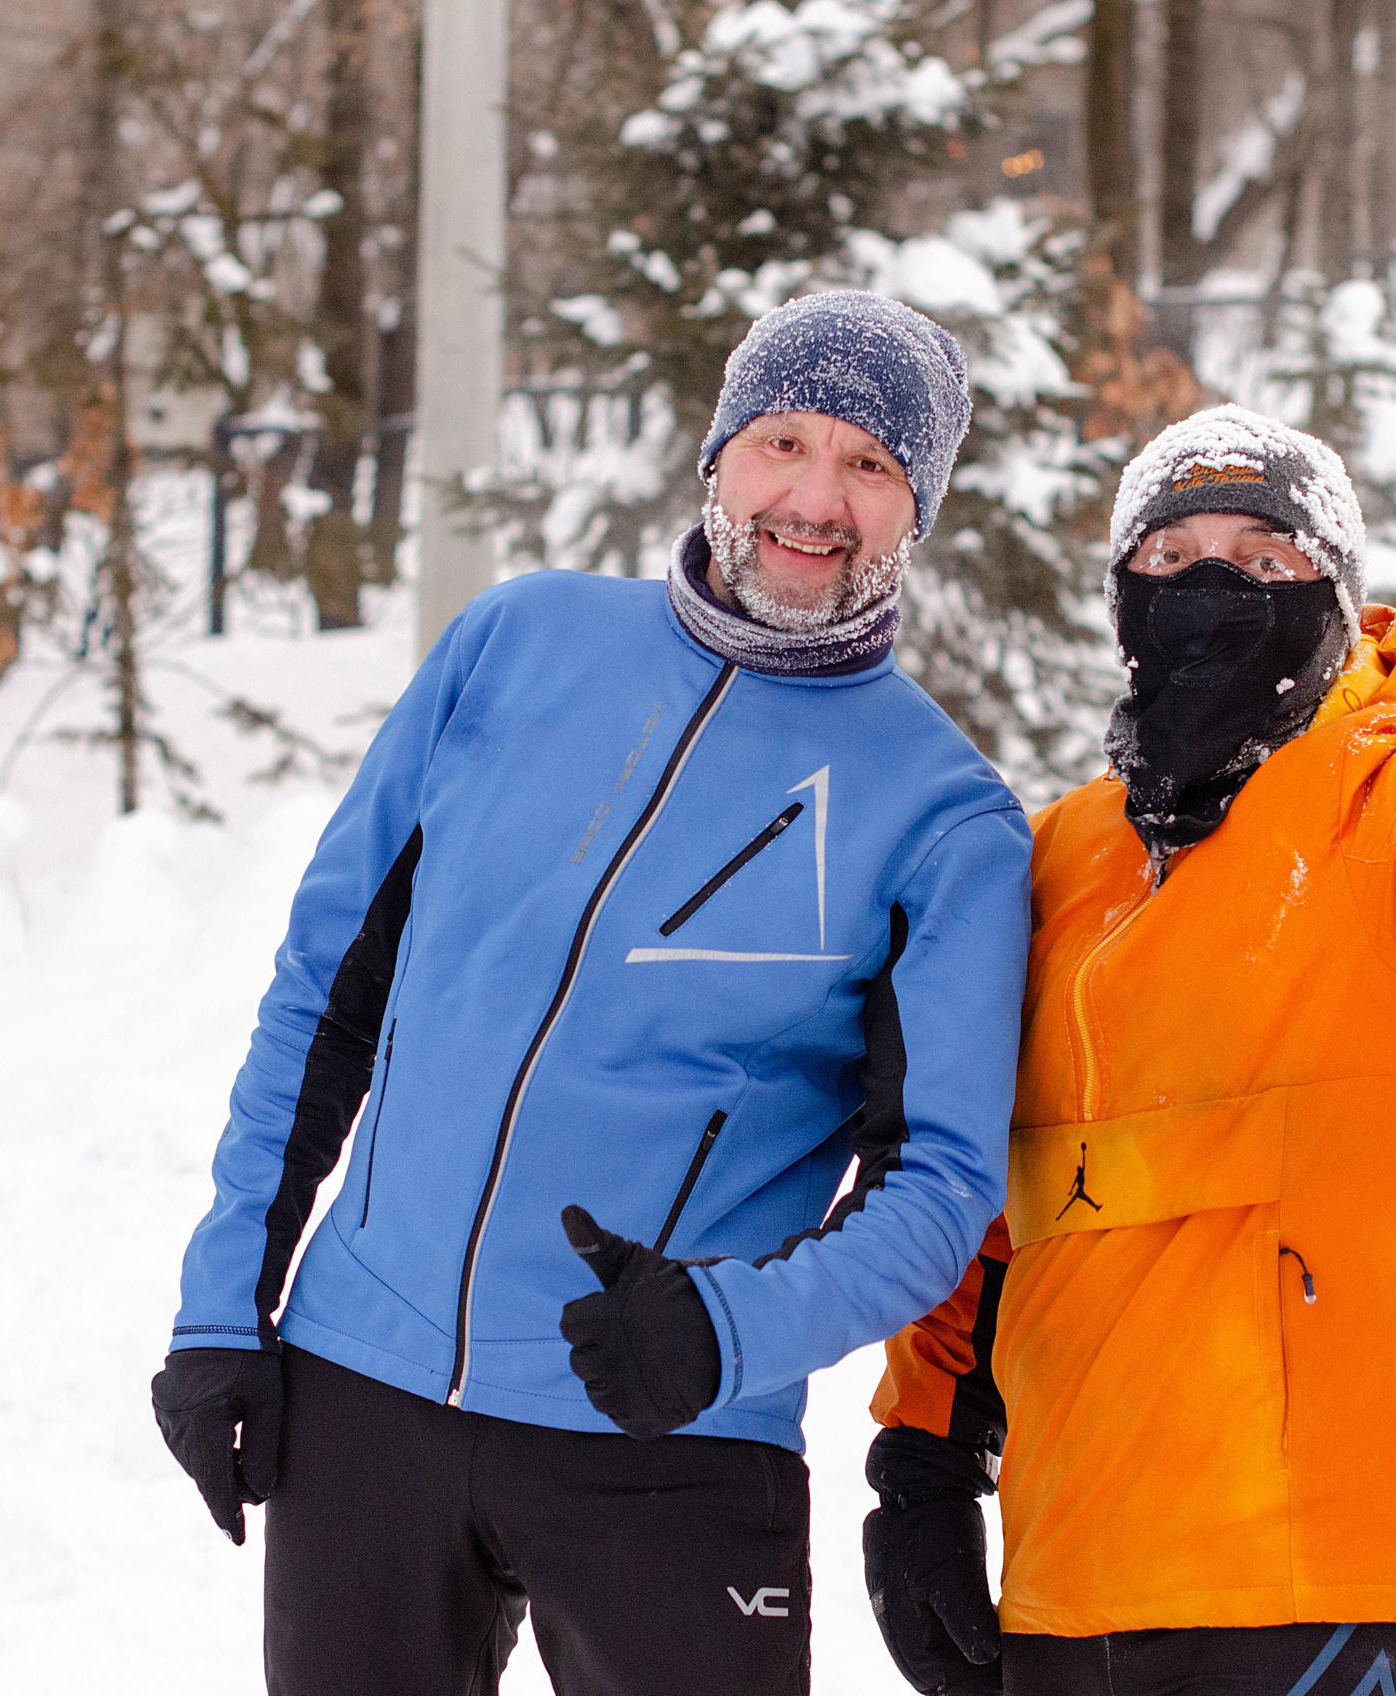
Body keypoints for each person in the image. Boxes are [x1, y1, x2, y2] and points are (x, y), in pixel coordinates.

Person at [151, 290, 1033, 1696]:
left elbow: (940, 1188)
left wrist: (729, 1331)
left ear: (916, 508)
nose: (816, 500)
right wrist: (221, 1306)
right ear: (718, 454)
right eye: (784, 442)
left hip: (668, 1435)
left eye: (871, 464)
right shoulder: (513, 643)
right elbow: (326, 998)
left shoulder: (945, 818)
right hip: (364, 1389)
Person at [859, 374, 1396, 1695]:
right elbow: (988, 1197)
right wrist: (921, 1464)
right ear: (1122, 602)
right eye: (1170, 558)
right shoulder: (1054, 864)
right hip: (1069, 1580)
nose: (1211, 588)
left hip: (1315, 1586)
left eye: (1264, 558)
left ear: (1335, 597)